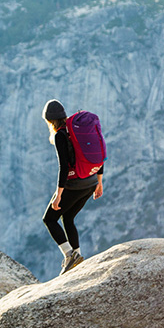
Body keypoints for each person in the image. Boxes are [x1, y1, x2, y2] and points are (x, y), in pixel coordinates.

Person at [41, 99, 104, 275]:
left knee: (49, 219)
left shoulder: (60, 134)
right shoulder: (78, 130)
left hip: (75, 184)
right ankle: (78, 256)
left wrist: (58, 195)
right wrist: (99, 182)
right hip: (90, 182)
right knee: (68, 218)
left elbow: (63, 167)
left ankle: (69, 255)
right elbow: (97, 152)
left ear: (49, 120)